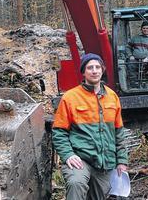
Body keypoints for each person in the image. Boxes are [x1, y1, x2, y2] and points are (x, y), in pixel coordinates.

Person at [52, 53, 128, 200]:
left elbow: (119, 132)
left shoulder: (112, 97)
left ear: (102, 70)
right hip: (80, 159)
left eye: (97, 67)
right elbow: (59, 131)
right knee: (76, 183)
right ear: (83, 72)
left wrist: (122, 161)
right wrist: (68, 154)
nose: (94, 71)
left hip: (105, 163)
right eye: (90, 67)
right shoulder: (70, 98)